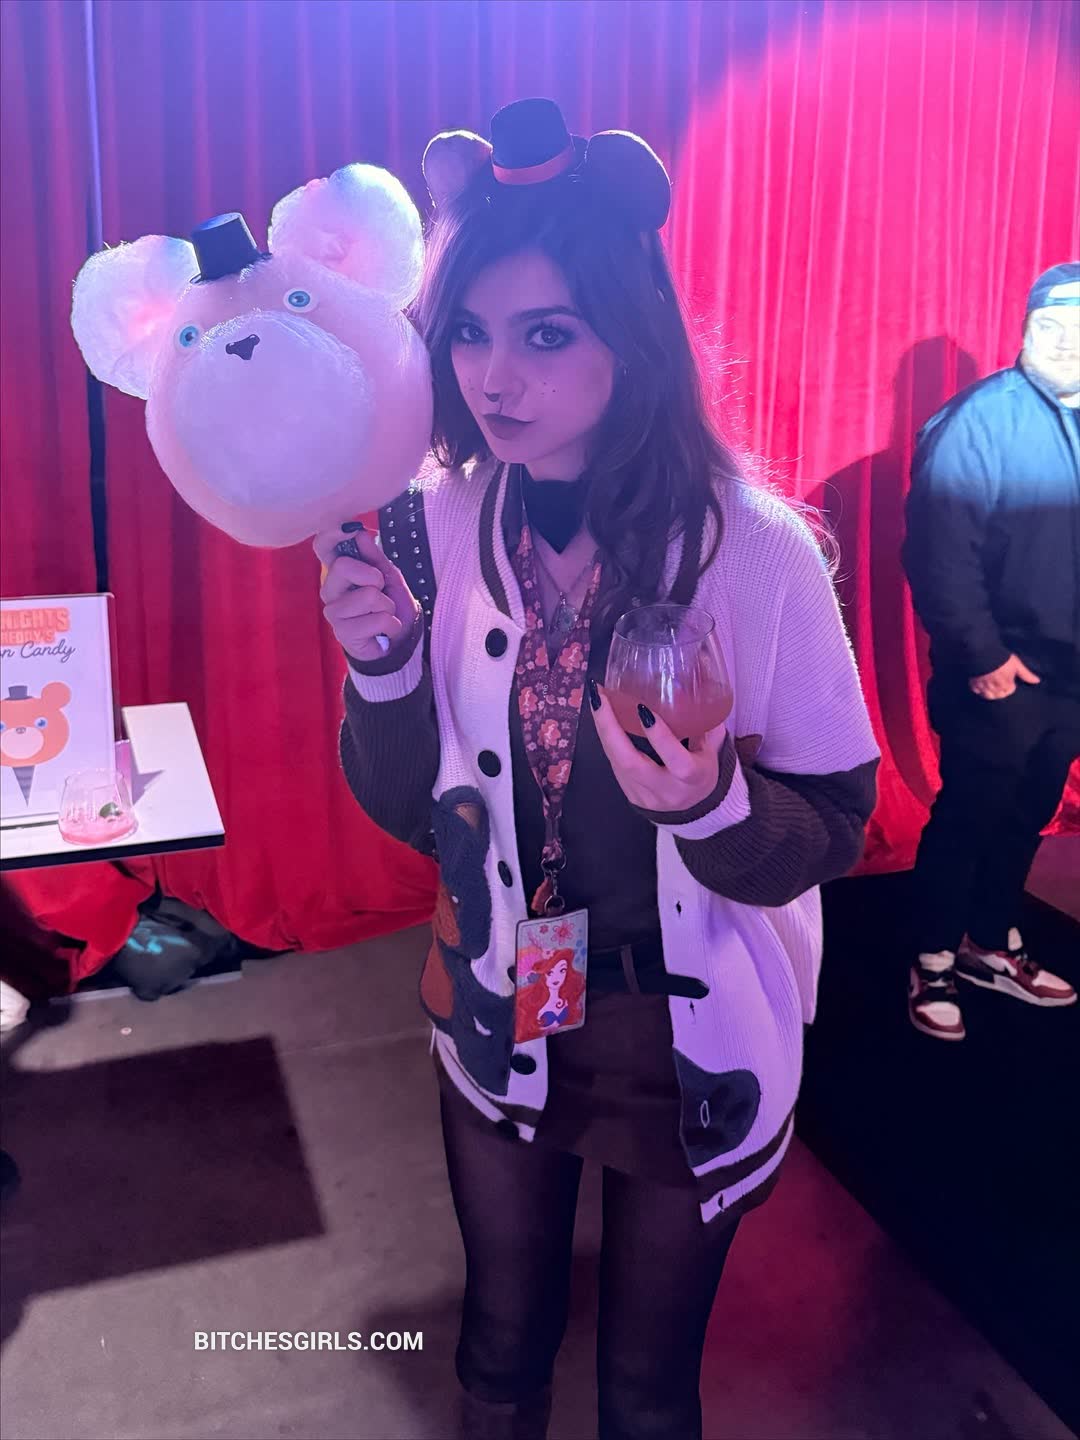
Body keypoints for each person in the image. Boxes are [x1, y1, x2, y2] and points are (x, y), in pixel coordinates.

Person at [317, 99, 879, 1440]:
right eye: (469, 333)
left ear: (632, 337)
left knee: (646, 1386)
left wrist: (712, 805)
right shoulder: (438, 523)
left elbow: (838, 821)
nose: (492, 378)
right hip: (502, 998)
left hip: (683, 1037)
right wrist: (385, 667)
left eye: (545, 334)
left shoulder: (757, 550)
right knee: (499, 1344)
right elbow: (416, 814)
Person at [903, 262, 1080, 1042]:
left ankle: (988, 943)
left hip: (1070, 676)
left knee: (1028, 814)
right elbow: (939, 552)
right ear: (1025, 329)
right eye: (1051, 327)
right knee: (970, 815)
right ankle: (932, 957)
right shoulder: (978, 422)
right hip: (998, 673)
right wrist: (981, 657)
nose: (1066, 344)